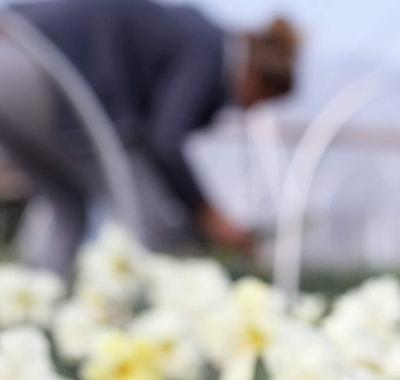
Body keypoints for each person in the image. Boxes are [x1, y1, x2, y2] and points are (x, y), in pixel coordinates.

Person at [0, 0, 299, 276]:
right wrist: (207, 212)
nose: (247, 110)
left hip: (15, 49)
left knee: (67, 205)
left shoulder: (188, 30)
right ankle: (139, 320)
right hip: (50, 72)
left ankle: (37, 306)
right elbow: (166, 139)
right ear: (253, 75)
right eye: (258, 101)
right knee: (149, 221)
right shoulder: (209, 47)